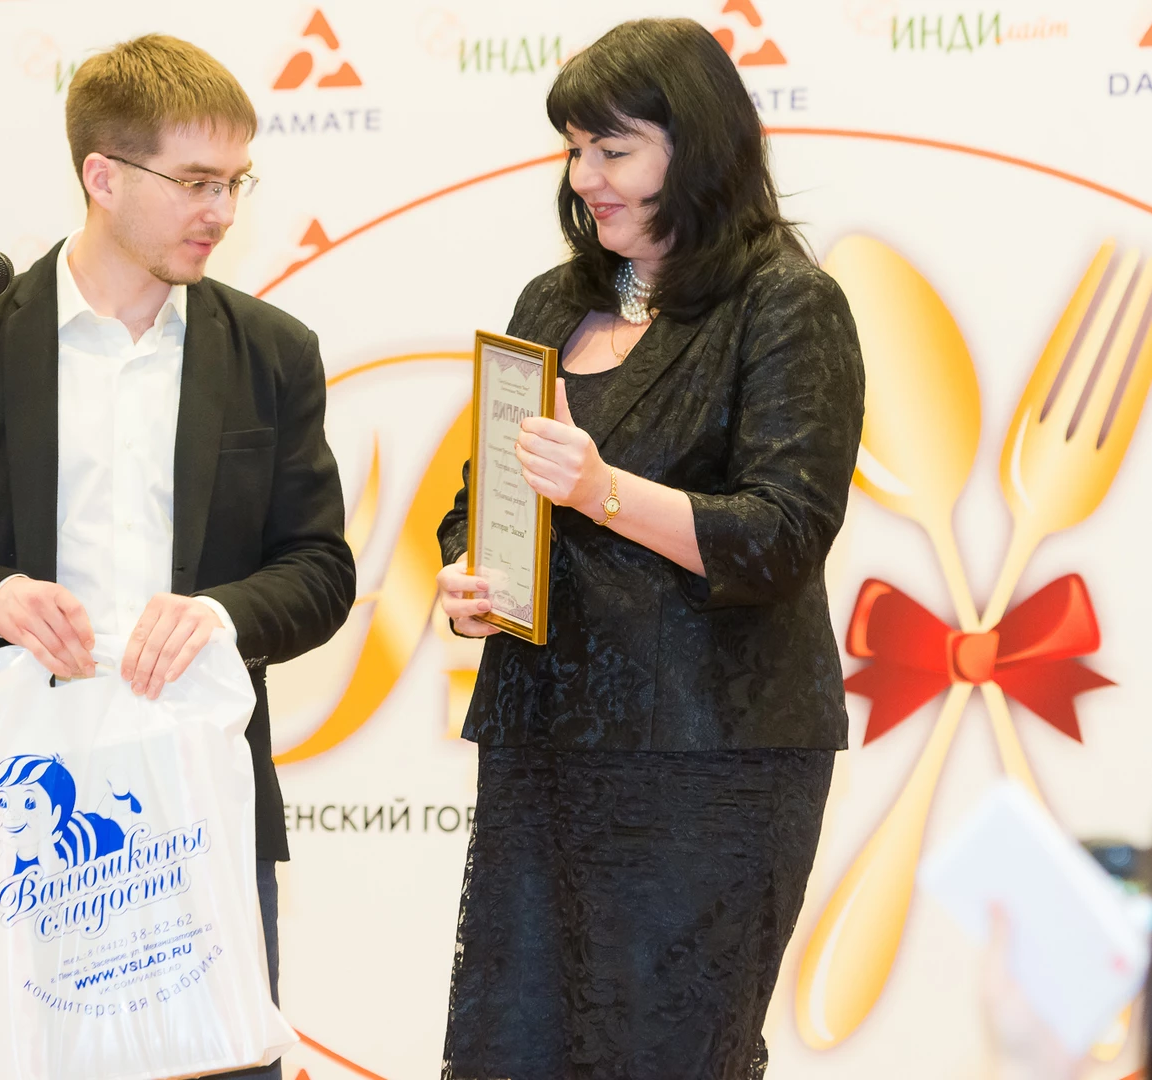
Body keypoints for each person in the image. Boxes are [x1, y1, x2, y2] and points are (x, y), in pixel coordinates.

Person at [0, 34, 355, 1080]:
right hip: (18, 812)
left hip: (198, 806)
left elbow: (319, 570)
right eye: (195, 181)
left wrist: (219, 616)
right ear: (103, 176)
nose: (221, 210)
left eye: (235, 182)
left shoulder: (272, 352)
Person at [434, 18, 864, 1080]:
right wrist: (469, 571)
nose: (585, 177)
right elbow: (485, 491)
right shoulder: (554, 300)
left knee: (666, 1049)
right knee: (516, 1046)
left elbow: (782, 535)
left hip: (711, 757)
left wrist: (604, 492)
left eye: (613, 150)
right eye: (575, 149)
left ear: (697, 146)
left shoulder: (787, 304)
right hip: (544, 743)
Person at [0, 754, 123, 876]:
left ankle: (122, 798)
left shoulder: (55, 859)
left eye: (30, 803)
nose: (12, 814)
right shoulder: (9, 857)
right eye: (3, 802)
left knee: (118, 825)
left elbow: (57, 872)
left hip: (99, 834)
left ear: (55, 816)